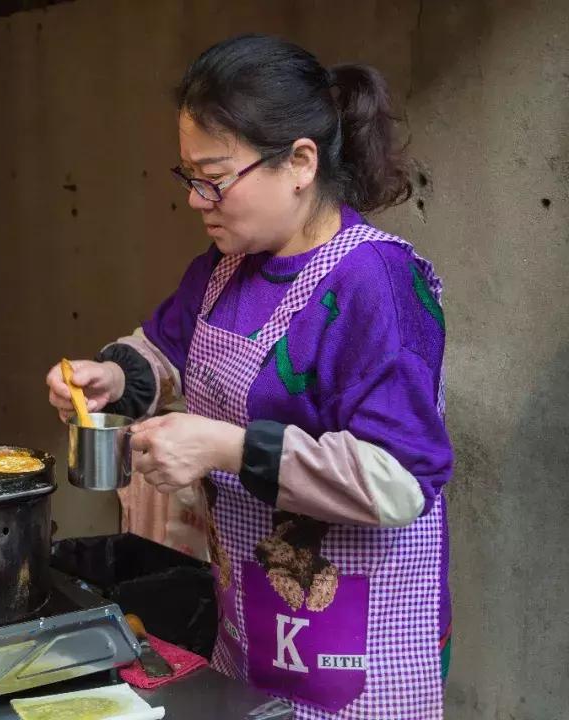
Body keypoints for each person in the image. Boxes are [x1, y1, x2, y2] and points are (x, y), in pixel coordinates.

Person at [47, 34, 452, 718]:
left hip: (359, 653)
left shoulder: (375, 284)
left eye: (215, 177)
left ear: (299, 162)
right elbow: (165, 351)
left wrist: (225, 447)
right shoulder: (224, 269)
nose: (196, 200)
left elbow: (400, 481)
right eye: (188, 177)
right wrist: (113, 378)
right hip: (251, 625)